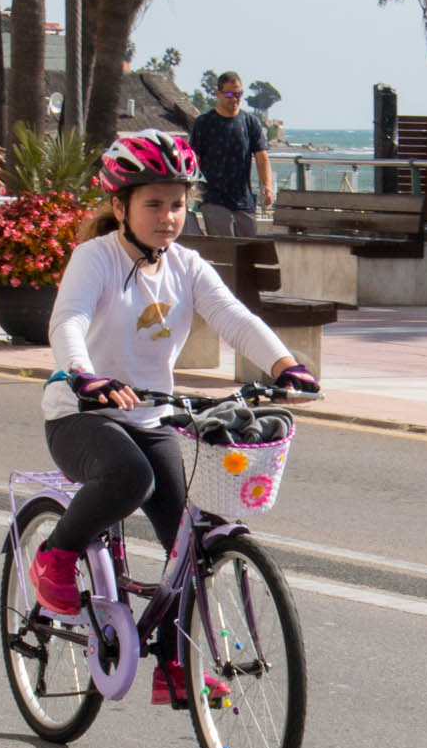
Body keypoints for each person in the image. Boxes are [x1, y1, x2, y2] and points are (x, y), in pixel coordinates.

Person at [27, 130, 319, 706]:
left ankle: (174, 665)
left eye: (178, 204)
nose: (168, 217)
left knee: (186, 544)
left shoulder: (187, 266)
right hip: (81, 415)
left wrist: (285, 364)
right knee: (130, 477)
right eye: (153, 204)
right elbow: (68, 321)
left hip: (151, 416)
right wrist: (83, 375)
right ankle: (56, 554)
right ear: (120, 207)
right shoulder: (96, 258)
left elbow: (233, 317)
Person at [189, 70, 273, 235]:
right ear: (218, 94)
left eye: (238, 94)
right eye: (229, 94)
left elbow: (262, 158)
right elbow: (194, 158)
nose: (235, 98)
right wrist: (190, 187)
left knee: (248, 246)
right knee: (224, 245)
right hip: (213, 198)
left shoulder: (250, 122)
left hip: (243, 199)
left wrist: (267, 186)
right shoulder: (204, 122)